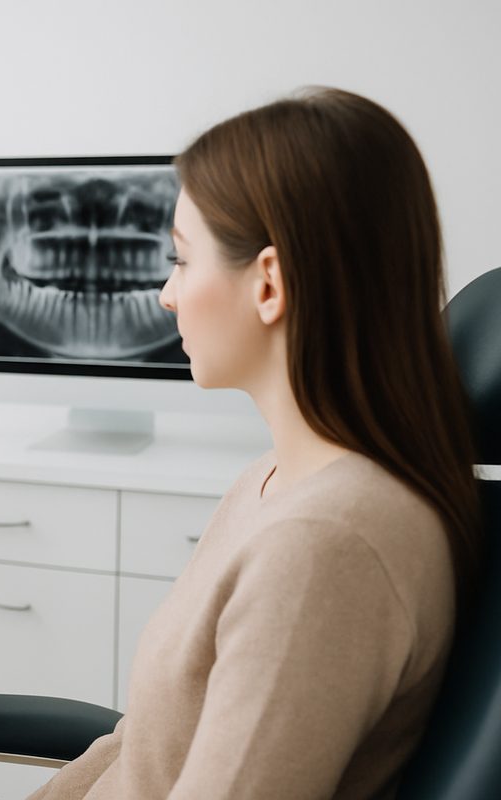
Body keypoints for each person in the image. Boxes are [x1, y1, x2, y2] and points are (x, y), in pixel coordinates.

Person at [30, 88, 481, 799]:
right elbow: (146, 739)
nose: (165, 296)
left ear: (269, 283)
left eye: (181, 261)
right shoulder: (274, 481)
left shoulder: (328, 543)